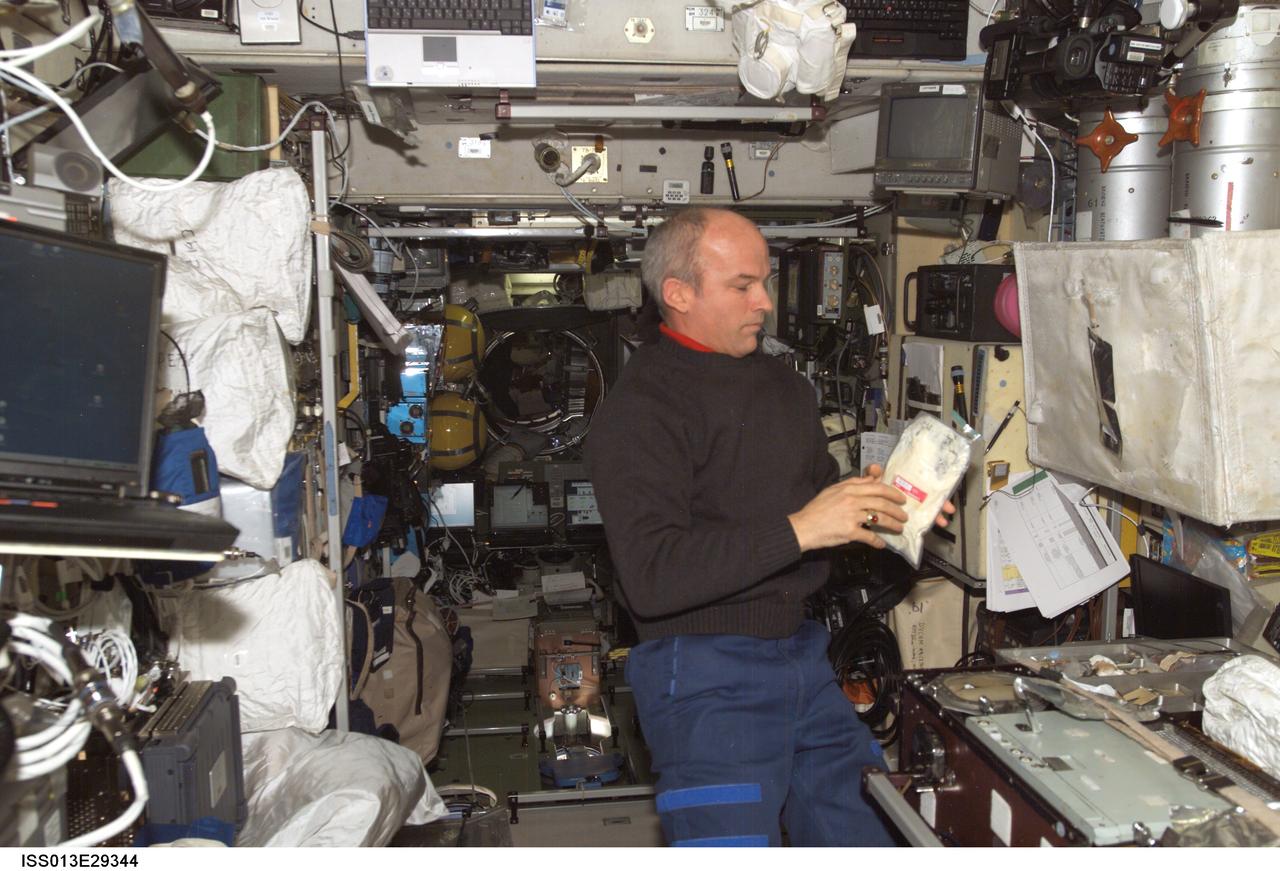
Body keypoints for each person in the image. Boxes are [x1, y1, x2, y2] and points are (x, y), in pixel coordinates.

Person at [585, 207, 952, 847]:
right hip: (701, 674)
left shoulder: (785, 389)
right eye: (742, 285)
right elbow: (652, 576)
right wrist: (803, 528)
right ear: (678, 294)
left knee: (875, 834)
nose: (764, 302)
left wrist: (882, 507)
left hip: (801, 654)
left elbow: (816, 513)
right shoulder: (639, 410)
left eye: (766, 282)